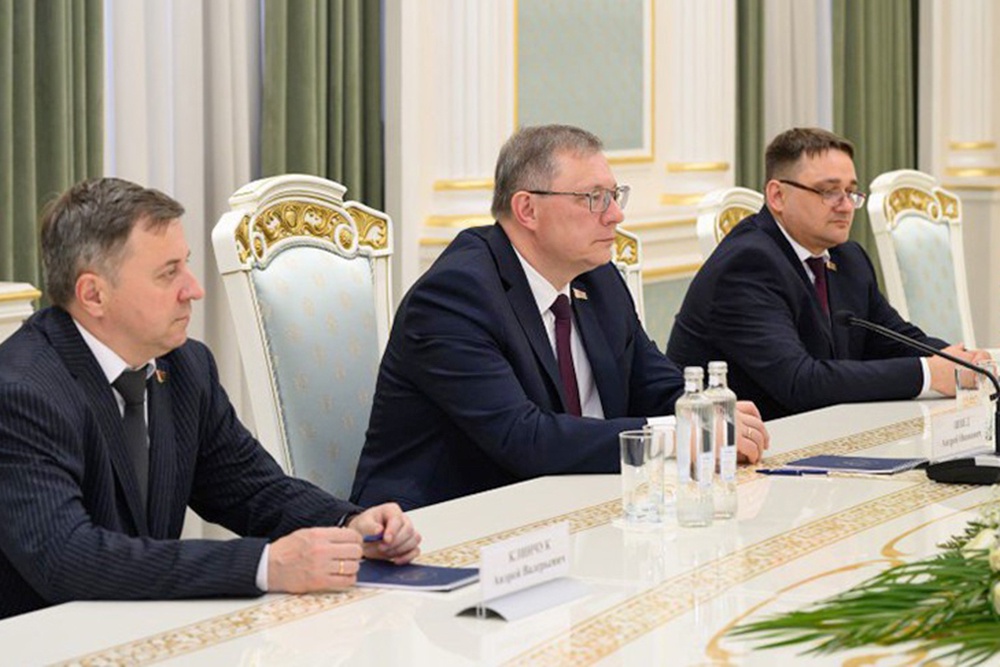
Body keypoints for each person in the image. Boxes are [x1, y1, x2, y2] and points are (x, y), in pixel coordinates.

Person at [0, 178, 421, 620]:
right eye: (168, 273)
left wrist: (349, 525)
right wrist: (266, 566)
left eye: (185, 264)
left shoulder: (186, 367)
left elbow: (250, 488)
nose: (193, 289)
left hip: (143, 627)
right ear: (93, 295)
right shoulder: (21, 393)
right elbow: (68, 558)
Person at [351, 124, 769, 511]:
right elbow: (524, 438)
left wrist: (705, 413)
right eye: (594, 198)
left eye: (614, 195)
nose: (616, 215)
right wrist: (676, 436)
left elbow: (651, 382)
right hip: (439, 527)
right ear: (527, 209)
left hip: (570, 510)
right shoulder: (455, 296)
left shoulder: (598, 277)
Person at [667, 127, 988, 421]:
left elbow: (893, 337)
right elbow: (800, 382)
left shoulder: (847, 257)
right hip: (740, 447)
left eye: (850, 192)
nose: (845, 206)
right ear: (777, 196)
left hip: (825, 431)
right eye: (829, 191)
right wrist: (928, 374)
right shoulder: (746, 265)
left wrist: (963, 361)